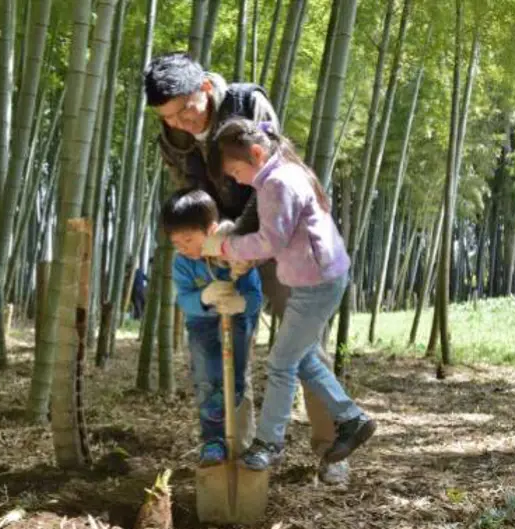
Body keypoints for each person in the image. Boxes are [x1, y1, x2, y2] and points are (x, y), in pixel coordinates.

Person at [144, 52, 350, 484]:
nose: (180, 122)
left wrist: (240, 239)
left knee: (303, 345)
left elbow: (268, 179)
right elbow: (188, 190)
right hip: (220, 244)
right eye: (168, 117)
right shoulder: (173, 134)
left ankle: (333, 447)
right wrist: (210, 243)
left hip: (279, 240)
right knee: (231, 342)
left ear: (203, 88)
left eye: (185, 110)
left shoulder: (246, 104)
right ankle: (245, 446)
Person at [202, 118, 377, 471]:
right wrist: (243, 255)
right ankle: (351, 418)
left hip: (318, 284)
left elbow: (270, 240)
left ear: (255, 153)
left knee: (281, 363)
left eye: (236, 171)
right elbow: (276, 238)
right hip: (314, 280)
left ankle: (269, 443)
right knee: (304, 358)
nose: (236, 179)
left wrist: (226, 244)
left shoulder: (278, 183)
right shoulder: (279, 172)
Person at [162, 189, 262, 466]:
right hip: (201, 324)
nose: (183, 247)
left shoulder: (236, 254)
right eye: (176, 242)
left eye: (189, 239)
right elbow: (184, 300)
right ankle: (213, 442)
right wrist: (205, 298)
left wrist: (240, 302)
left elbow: (255, 299)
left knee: (236, 377)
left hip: (238, 323)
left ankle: (240, 437)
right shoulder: (182, 263)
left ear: (212, 231)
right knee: (206, 378)